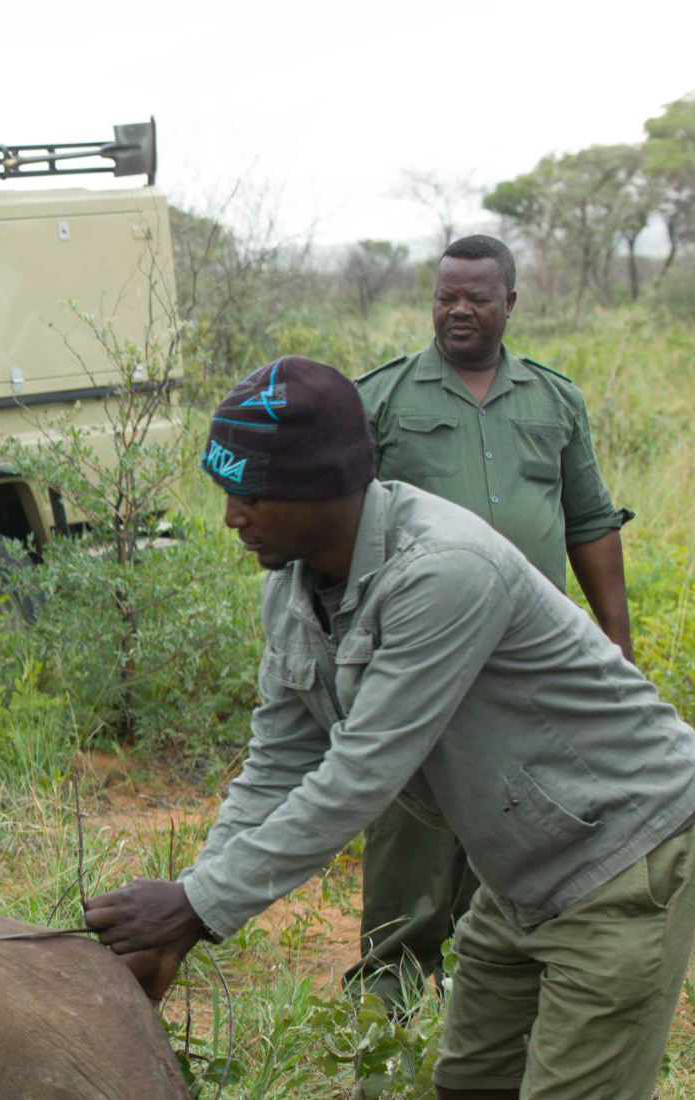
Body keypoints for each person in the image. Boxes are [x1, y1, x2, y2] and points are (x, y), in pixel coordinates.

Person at [85, 357, 695, 1100]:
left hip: (622, 856)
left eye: (250, 495)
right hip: (520, 872)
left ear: (324, 487)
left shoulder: (444, 571)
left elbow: (361, 774)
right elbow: (276, 763)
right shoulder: (292, 587)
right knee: (471, 1083)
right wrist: (190, 900)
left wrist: (197, 909)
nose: (230, 517)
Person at [348, 233, 635, 1010]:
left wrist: (616, 640)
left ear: (511, 301)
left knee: (521, 817)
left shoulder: (553, 399)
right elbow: (341, 529)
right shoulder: (382, 399)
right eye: (446, 296)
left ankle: (493, 990)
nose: (459, 310)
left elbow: (589, 520)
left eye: (477, 296)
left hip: (531, 663)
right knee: (415, 829)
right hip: (421, 653)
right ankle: (391, 998)